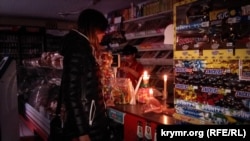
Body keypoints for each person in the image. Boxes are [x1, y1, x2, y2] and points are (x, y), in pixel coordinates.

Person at [58, 9, 110, 141]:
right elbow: (71, 94)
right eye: (102, 30)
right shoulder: (78, 50)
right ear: (93, 29)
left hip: (90, 119)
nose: (103, 35)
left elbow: (85, 87)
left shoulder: (83, 48)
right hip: (87, 124)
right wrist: (82, 132)